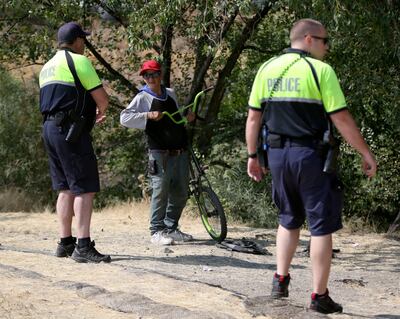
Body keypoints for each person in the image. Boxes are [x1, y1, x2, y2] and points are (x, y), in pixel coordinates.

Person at [245, 18, 377, 314]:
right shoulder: (321, 72)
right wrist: (366, 154)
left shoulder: (266, 68)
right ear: (308, 39)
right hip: (311, 156)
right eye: (324, 41)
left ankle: (280, 281)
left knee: (288, 217)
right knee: (320, 227)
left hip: (277, 156)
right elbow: (341, 119)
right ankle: (319, 297)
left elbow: (254, 118)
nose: (327, 47)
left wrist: (253, 156)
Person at [39, 22, 111, 263]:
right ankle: (83, 246)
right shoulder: (79, 61)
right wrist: (101, 110)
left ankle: (65, 242)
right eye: (84, 40)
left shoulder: (47, 67)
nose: (85, 44)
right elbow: (102, 98)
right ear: (77, 40)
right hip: (70, 131)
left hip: (49, 129)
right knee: (84, 187)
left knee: (65, 187)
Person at [120, 60, 194, 245]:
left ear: (160, 75)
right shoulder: (142, 97)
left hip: (179, 150)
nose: (150, 78)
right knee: (160, 191)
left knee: (181, 192)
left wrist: (186, 119)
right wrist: (148, 115)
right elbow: (124, 118)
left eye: (154, 74)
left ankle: (171, 228)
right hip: (159, 153)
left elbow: (176, 119)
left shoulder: (170, 94)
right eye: (146, 75)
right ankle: (156, 231)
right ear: (144, 78)